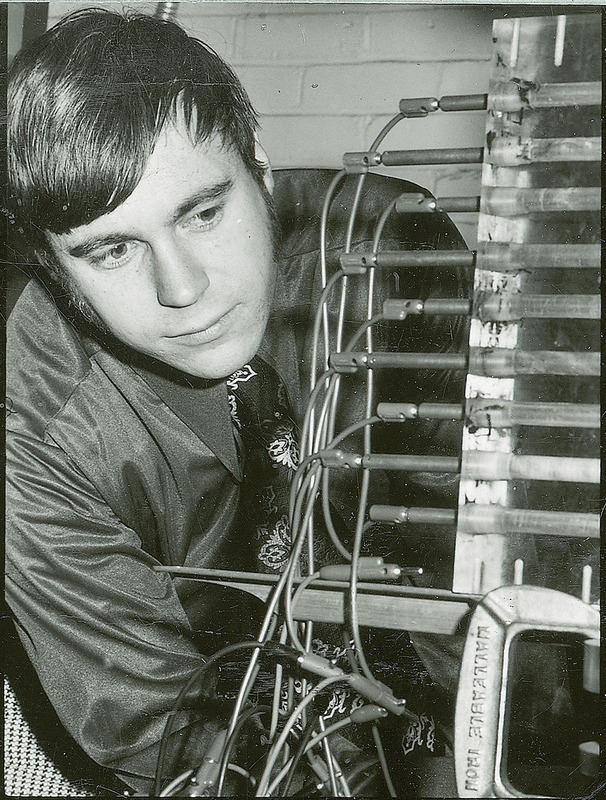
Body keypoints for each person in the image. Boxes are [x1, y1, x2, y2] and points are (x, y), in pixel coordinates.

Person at [6, 8, 469, 795]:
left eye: (204, 213)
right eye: (111, 251)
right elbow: (161, 727)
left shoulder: (394, 249)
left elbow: (460, 536)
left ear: (260, 165)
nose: (183, 291)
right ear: (56, 270)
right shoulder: (30, 432)